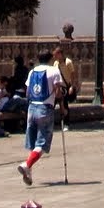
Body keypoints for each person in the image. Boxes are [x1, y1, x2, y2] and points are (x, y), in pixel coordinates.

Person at [16, 50, 64, 186]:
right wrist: (61, 105)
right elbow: (58, 92)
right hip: (45, 108)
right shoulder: (54, 71)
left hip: (32, 108)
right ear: (50, 59)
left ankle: (28, 172)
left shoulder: (32, 71)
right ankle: (27, 164)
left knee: (33, 142)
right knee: (42, 143)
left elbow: (28, 91)